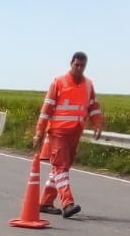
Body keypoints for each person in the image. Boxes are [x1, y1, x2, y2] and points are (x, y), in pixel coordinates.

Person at [32, 52, 104, 218]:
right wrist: (39, 132)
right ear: (71, 63)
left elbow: (93, 107)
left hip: (75, 131)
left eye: (82, 65)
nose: (79, 68)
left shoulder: (88, 84)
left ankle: (45, 202)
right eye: (76, 65)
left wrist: (98, 124)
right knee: (61, 167)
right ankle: (67, 203)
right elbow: (46, 109)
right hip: (58, 132)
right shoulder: (58, 82)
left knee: (60, 169)